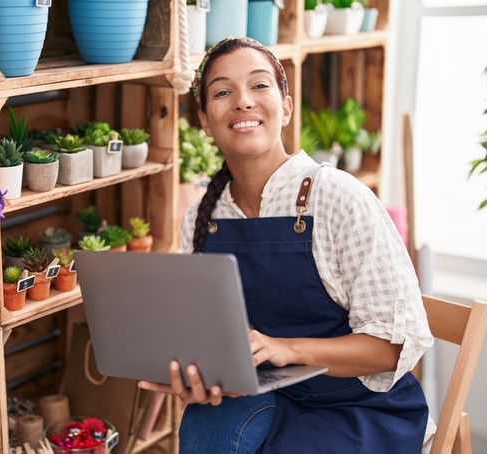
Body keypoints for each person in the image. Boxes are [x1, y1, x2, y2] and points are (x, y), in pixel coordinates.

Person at [137, 37, 434, 453]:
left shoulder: (338, 199)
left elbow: (390, 349)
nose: (242, 101)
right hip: (265, 395)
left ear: (287, 106)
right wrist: (204, 380)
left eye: (259, 86)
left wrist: (284, 348)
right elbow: (212, 342)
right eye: (223, 92)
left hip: (360, 406)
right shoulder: (202, 220)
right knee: (203, 427)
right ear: (205, 120)